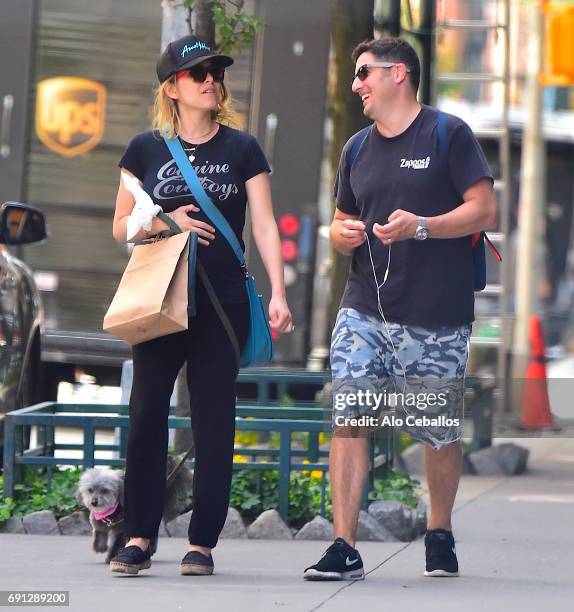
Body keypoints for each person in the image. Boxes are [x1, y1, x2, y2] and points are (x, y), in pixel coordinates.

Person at [304, 38, 496, 581]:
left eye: (364, 73)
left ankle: (439, 531)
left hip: (435, 315)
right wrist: (341, 235)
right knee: (351, 420)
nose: (356, 84)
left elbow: (484, 208)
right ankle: (344, 544)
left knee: (435, 429)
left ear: (399, 74)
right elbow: (342, 222)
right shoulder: (357, 148)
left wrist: (424, 226)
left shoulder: (447, 134)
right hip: (365, 310)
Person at [109, 34, 293, 576]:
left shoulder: (243, 149)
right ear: (172, 87)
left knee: (215, 420)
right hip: (160, 298)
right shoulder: (144, 148)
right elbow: (120, 225)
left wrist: (278, 291)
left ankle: (202, 542)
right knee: (145, 415)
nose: (211, 80)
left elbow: (263, 223)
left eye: (215, 72)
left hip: (222, 302)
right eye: (197, 74)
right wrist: (166, 220)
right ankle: (139, 534)